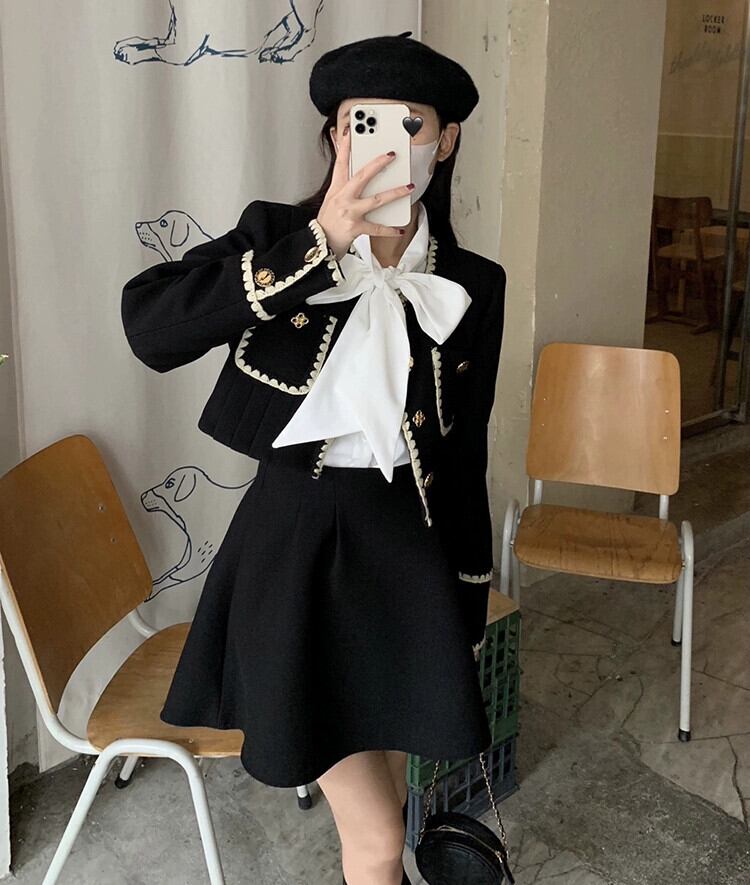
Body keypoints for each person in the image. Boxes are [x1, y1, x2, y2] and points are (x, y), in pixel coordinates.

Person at [121, 30, 506, 885]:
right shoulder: (276, 237)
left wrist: (469, 602)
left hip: (408, 554)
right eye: (362, 122)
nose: (389, 142)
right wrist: (319, 243)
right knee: (377, 838)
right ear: (335, 135)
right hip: (294, 549)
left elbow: (466, 452)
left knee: (388, 802)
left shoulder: (475, 282)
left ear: (447, 140)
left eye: (412, 123)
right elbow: (150, 327)